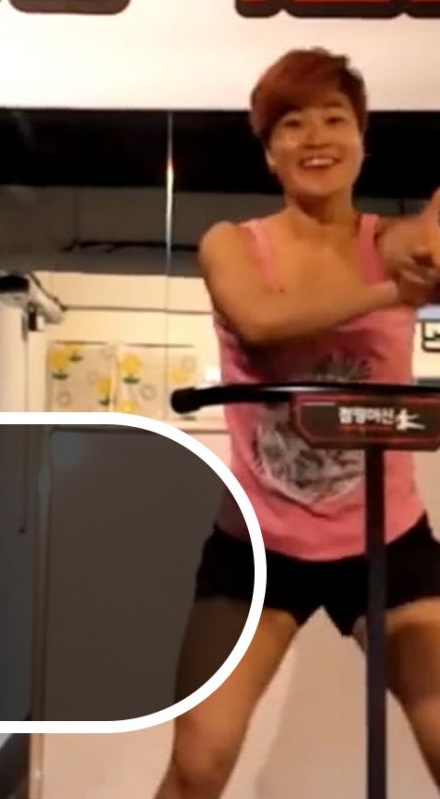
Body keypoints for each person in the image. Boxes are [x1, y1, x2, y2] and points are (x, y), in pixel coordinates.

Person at [154, 47, 440, 799]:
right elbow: (262, 320)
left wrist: (424, 259)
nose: (316, 137)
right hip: (257, 545)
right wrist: (393, 294)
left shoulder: (390, 242)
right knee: (199, 763)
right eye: (292, 124)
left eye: (334, 119)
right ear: (269, 151)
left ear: (363, 140)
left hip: (386, 541)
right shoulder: (231, 244)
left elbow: (424, 248)